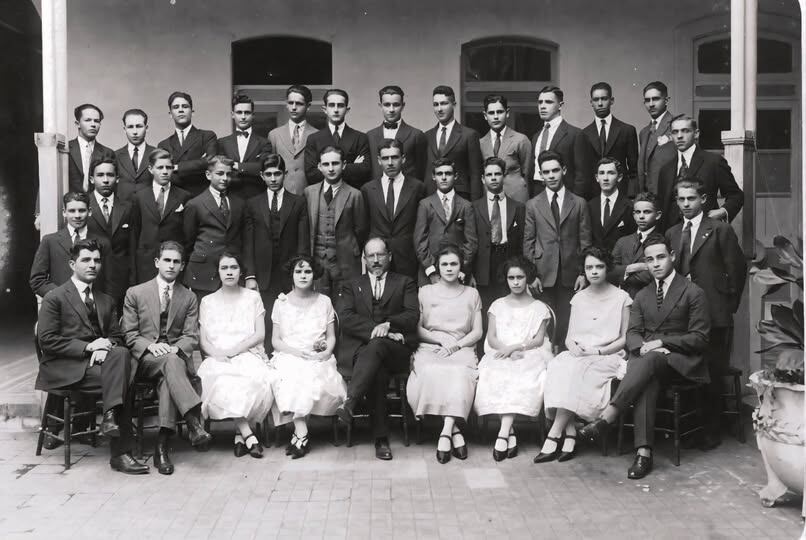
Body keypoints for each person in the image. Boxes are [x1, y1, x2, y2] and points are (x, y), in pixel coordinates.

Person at [578, 235, 710, 479]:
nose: (656, 264)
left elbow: (700, 338)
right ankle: (643, 453)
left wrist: (662, 343)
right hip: (649, 363)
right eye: (649, 260)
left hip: (681, 363)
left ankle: (609, 417)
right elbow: (632, 334)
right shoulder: (643, 295)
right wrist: (645, 347)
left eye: (661, 257)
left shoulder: (693, 292)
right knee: (647, 373)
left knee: (646, 363)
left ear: (672, 256)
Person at [36, 239, 147, 474]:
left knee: (120, 354)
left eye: (97, 260)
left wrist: (105, 347)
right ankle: (120, 452)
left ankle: (110, 417)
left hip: (102, 367)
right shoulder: (55, 297)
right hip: (66, 368)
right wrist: (88, 349)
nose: (92, 265)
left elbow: (117, 337)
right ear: (72, 264)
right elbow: (47, 340)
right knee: (124, 379)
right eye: (86, 260)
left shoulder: (106, 300)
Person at [665, 177, 746, 449]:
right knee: (687, 370)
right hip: (683, 315)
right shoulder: (673, 233)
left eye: (691, 198)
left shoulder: (719, 229)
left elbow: (737, 270)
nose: (686, 204)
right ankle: (688, 427)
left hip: (714, 313)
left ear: (703, 200)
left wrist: (726, 307)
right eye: (681, 199)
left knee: (711, 371)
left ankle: (712, 431)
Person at [121, 241, 211, 475]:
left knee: (168, 378)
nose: (171, 265)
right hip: (145, 360)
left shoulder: (188, 297)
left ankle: (161, 449)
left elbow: (191, 336)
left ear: (182, 266)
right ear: (157, 262)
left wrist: (174, 349)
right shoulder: (136, 293)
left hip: (173, 359)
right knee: (170, 363)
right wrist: (151, 346)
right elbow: (130, 336)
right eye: (167, 260)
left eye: (176, 262)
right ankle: (193, 421)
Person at [538, 247, 632, 463]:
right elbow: (570, 337)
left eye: (599, 267)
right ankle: (570, 433)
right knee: (558, 365)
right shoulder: (578, 298)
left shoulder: (622, 297)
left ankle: (554, 434)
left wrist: (598, 351)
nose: (594, 271)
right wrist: (573, 348)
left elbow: (624, 339)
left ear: (607, 268)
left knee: (577, 370)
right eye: (589, 267)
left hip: (608, 355)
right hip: (580, 353)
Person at [335, 237, 420, 461]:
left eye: (380, 255)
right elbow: (346, 318)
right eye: (370, 256)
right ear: (364, 259)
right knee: (377, 369)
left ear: (389, 256)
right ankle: (381, 439)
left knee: (379, 347)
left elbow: (412, 316)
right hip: (361, 351)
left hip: (396, 350)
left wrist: (388, 325)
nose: (375, 260)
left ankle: (350, 402)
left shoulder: (405, 282)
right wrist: (378, 329)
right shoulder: (351, 284)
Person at [407, 244, 483, 464]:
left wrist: (456, 345)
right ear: (437, 267)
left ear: (461, 267)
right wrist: (440, 339)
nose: (449, 268)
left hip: (462, 347)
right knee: (431, 371)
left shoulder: (471, 293)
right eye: (444, 264)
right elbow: (417, 328)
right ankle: (456, 431)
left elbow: (477, 331)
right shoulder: (425, 292)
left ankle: (446, 432)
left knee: (459, 374)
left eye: (454, 264)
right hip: (432, 346)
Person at [474, 256, 553, 461]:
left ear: (527, 278)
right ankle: (509, 434)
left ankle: (503, 433)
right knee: (495, 372)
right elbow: (491, 337)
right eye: (511, 278)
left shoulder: (539, 308)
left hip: (529, 352)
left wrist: (517, 347)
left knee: (520, 373)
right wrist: (506, 350)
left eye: (520, 277)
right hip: (501, 350)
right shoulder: (497, 305)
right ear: (506, 279)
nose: (516, 282)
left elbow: (538, 340)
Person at [197, 253, 275, 458]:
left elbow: (260, 334)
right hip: (218, 356)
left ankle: (240, 435)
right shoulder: (207, 301)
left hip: (247, 353)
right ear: (218, 272)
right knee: (222, 380)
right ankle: (248, 435)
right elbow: (204, 341)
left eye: (234, 267)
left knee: (249, 380)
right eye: (224, 268)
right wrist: (219, 354)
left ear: (241, 271)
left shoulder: (252, 297)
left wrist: (235, 350)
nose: (229, 271)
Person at [269, 254, 346, 459]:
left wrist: (326, 352)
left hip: (317, 356)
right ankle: (301, 432)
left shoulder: (324, 302)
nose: (303, 275)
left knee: (309, 374)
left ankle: (299, 435)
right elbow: (275, 340)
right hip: (289, 354)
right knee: (292, 373)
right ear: (291, 275)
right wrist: (295, 352)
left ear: (315, 275)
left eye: (308, 271)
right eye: (298, 271)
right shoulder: (281, 303)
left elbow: (331, 337)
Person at [523, 150, 592, 347]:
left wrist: (583, 273)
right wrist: (530, 275)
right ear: (541, 174)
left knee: (568, 321)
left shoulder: (578, 203)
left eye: (555, 170)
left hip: (571, 274)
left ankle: (563, 357)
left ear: (564, 170)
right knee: (545, 320)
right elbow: (528, 242)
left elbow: (585, 241)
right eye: (546, 172)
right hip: (542, 274)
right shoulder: (533, 205)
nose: (551, 176)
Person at [244, 154, 310, 350]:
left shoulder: (298, 202)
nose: (273, 179)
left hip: (288, 273)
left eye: (278, 174)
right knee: (264, 318)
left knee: (289, 319)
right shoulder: (253, 203)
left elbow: (303, 241)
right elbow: (248, 242)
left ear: (285, 174)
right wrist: (250, 274)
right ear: (262, 176)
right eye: (269, 174)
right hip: (262, 274)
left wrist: (300, 273)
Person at [656, 114, 744, 232]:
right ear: (671, 136)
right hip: (672, 234)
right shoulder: (665, 169)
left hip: (704, 232)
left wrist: (722, 211)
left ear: (696, 133)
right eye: (675, 132)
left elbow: (736, 195)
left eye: (685, 131)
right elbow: (662, 205)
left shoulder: (713, 162)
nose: (680, 136)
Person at [303, 146, 368, 299]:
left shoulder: (355, 195)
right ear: (319, 166)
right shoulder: (309, 193)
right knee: (317, 305)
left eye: (335, 163)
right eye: (326, 164)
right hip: (317, 261)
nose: (331, 168)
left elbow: (361, 231)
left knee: (345, 304)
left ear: (344, 165)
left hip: (344, 262)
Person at [361, 139, 427, 279]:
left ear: (403, 159)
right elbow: (363, 226)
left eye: (394, 157)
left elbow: (421, 225)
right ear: (379, 160)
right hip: (377, 257)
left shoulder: (417, 187)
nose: (390, 163)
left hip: (407, 257)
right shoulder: (368, 189)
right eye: (385, 158)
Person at [183, 155, 246, 300]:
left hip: (231, 272)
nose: (225, 178)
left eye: (228, 174)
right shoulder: (195, 204)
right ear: (208, 175)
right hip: (203, 273)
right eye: (220, 173)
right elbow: (188, 241)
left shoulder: (239, 203)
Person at [30, 191, 109, 299]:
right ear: (64, 212)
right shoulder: (50, 241)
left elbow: (110, 281)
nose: (77, 216)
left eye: (81, 211)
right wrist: (61, 296)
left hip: (93, 306)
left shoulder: (102, 242)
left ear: (89, 211)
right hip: (61, 309)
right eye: (72, 211)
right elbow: (37, 280)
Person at [130, 148, 192, 284]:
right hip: (146, 262)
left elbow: (188, 235)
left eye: (169, 167)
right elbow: (134, 233)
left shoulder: (184, 196)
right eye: (160, 167)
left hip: (173, 262)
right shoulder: (139, 196)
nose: (165, 171)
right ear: (151, 169)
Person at [472, 157, 525, 313]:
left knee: (508, 308)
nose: (493, 178)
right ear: (483, 178)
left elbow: (523, 242)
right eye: (489, 175)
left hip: (508, 261)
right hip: (483, 264)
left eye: (498, 174)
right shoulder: (474, 207)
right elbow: (470, 240)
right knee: (485, 310)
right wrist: (471, 273)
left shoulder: (518, 207)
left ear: (504, 176)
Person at [414, 158, 478, 285]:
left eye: (448, 174)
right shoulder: (425, 204)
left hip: (458, 272)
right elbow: (420, 241)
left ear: (455, 176)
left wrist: (461, 268)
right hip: (430, 272)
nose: (443, 177)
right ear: (433, 176)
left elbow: (471, 242)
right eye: (439, 174)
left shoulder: (466, 205)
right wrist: (431, 270)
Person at [86, 158, 135, 311]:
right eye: (100, 175)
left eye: (110, 175)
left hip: (121, 279)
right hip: (91, 275)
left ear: (117, 178)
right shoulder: (81, 206)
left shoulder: (128, 207)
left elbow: (133, 246)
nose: (106, 180)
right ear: (92, 179)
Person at [580, 82, 639, 199]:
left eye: (604, 99)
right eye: (596, 100)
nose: (600, 103)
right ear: (591, 103)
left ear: (612, 100)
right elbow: (583, 171)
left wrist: (631, 197)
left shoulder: (627, 130)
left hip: (621, 193)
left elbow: (634, 170)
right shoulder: (583, 134)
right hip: (593, 196)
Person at [423, 86, 483, 201]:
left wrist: (475, 206)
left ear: (454, 104)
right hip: (432, 199)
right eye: (436, 104)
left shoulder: (469, 135)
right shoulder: (427, 136)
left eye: (444, 103)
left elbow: (475, 174)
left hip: (460, 198)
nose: (439, 109)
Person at [304, 89, 371, 189]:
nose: (336, 110)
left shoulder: (360, 137)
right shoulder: (313, 139)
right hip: (323, 196)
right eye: (331, 105)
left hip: (351, 195)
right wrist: (351, 166)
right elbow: (312, 174)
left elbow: (364, 171)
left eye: (340, 105)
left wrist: (325, 169)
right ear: (325, 109)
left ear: (347, 110)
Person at [526, 86, 586, 197]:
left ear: (560, 105)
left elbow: (581, 175)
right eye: (540, 102)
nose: (542, 106)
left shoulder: (575, 134)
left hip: (565, 195)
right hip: (538, 193)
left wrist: (576, 202)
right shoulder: (536, 136)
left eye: (548, 102)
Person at [158, 91, 218, 197]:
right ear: (170, 114)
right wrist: (199, 164)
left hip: (203, 198)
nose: (180, 110)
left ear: (192, 112)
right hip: (176, 198)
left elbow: (211, 161)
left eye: (185, 106)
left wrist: (177, 167)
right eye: (176, 107)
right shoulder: (163, 145)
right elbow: (165, 173)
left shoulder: (207, 136)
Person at [216, 93, 273, 200]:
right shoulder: (222, 142)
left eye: (247, 113)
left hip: (257, 197)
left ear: (253, 115)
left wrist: (237, 165)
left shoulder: (264, 143)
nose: (243, 117)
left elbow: (263, 167)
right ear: (232, 114)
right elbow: (221, 169)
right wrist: (251, 167)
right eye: (239, 112)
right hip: (229, 197)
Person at [367, 85, 427, 181]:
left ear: (403, 106)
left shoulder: (416, 135)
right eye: (387, 105)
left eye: (396, 104)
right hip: (377, 193)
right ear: (380, 106)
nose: (391, 110)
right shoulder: (370, 136)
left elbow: (422, 171)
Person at [478, 94, 531, 203]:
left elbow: (528, 173)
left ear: (507, 113)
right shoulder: (480, 143)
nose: (496, 117)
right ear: (485, 115)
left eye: (500, 112)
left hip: (516, 197)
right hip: (491, 198)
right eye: (491, 113)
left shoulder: (520, 139)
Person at [268, 85, 319, 195]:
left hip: (309, 195)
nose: (294, 107)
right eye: (291, 103)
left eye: (299, 103)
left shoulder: (317, 135)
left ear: (308, 106)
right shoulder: (274, 135)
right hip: (281, 195)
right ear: (287, 105)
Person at [609, 192, 661, 298]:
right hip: (621, 300)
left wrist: (621, 272)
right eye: (637, 212)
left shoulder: (661, 242)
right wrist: (632, 268)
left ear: (658, 215)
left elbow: (650, 276)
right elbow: (609, 270)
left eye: (647, 212)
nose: (641, 216)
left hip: (648, 301)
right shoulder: (623, 241)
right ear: (633, 215)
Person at [587, 158, 636, 253]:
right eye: (601, 173)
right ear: (597, 178)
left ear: (619, 177)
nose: (605, 178)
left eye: (610, 173)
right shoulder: (589, 206)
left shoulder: (629, 206)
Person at [637, 81, 676, 194]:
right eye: (647, 100)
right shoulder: (644, 132)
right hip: (648, 197)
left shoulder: (676, 125)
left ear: (666, 100)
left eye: (656, 99)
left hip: (669, 194)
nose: (651, 104)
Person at [68, 103, 114, 193]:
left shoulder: (108, 153)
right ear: (77, 124)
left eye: (96, 121)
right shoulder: (66, 149)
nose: (93, 124)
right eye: (88, 120)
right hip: (72, 205)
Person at [114, 108, 155, 201]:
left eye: (139, 126)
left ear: (146, 128)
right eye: (130, 127)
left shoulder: (156, 154)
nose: (135, 132)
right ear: (124, 129)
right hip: (123, 210)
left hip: (150, 209)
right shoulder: (115, 155)